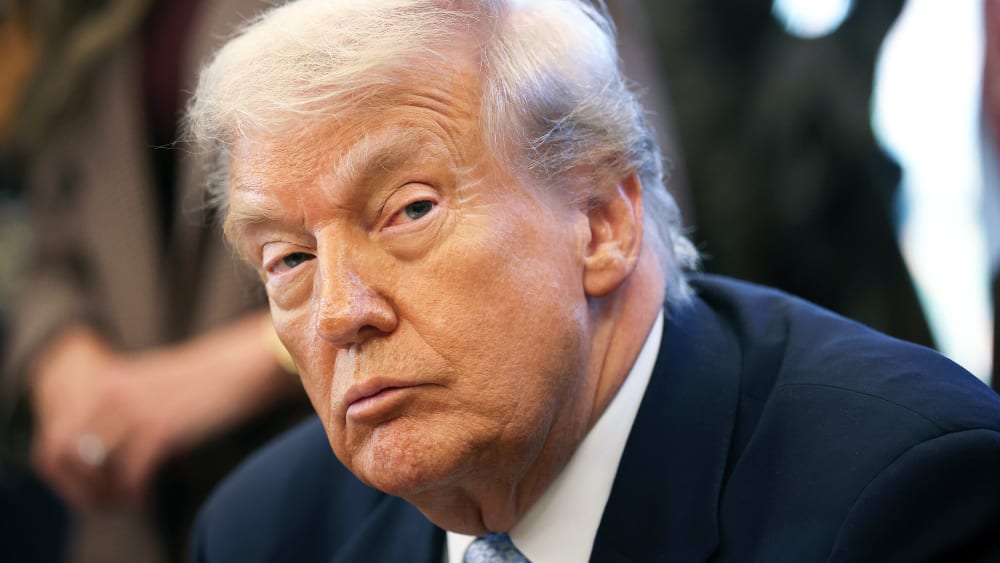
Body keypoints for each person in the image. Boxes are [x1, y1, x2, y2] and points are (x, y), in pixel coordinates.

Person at [185, 0, 1000, 561]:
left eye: (408, 211)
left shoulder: (898, 498)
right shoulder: (260, 530)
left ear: (602, 221)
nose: (337, 314)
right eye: (289, 258)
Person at [0, 1, 309, 561]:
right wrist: (63, 354)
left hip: (308, 469)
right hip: (123, 505)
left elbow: (416, 220)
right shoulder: (75, 18)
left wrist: (249, 365)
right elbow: (51, 237)